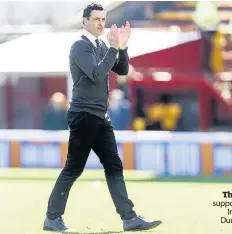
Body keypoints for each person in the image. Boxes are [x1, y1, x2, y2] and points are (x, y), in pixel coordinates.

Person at [43, 3, 161, 232]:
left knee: (113, 166)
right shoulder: (80, 46)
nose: (100, 23)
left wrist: (122, 47)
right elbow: (98, 74)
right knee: (74, 168)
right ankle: (52, 218)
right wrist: (113, 48)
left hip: (99, 115)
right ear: (84, 21)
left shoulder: (101, 46)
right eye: (96, 19)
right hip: (83, 115)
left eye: (103, 19)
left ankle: (129, 218)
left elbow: (123, 70)